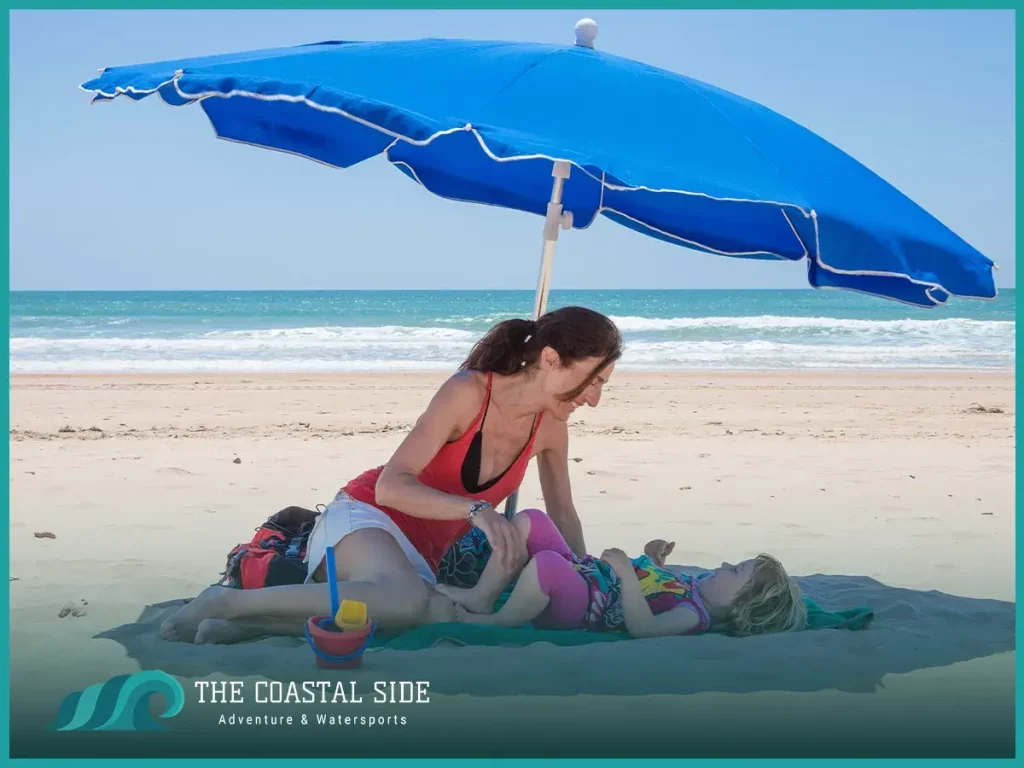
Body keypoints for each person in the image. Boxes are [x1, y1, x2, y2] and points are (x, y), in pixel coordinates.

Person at [161, 306, 623, 644]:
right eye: (593, 379)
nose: (594, 398)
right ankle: (224, 602)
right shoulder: (468, 393)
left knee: (422, 612)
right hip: (368, 517)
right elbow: (393, 485)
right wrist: (477, 511)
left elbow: (563, 513)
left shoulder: (551, 427)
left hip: (423, 556)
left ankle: (244, 627)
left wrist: (589, 579)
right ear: (548, 359)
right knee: (404, 602)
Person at [440, 509, 807, 638]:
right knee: (533, 519)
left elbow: (645, 628)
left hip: (583, 606)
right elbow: (658, 586)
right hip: (587, 574)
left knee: (548, 566)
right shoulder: (692, 586)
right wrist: (653, 558)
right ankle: (481, 597)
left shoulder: (695, 615)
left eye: (737, 571)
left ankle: (500, 621)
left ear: (740, 603)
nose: (726, 566)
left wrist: (627, 577)